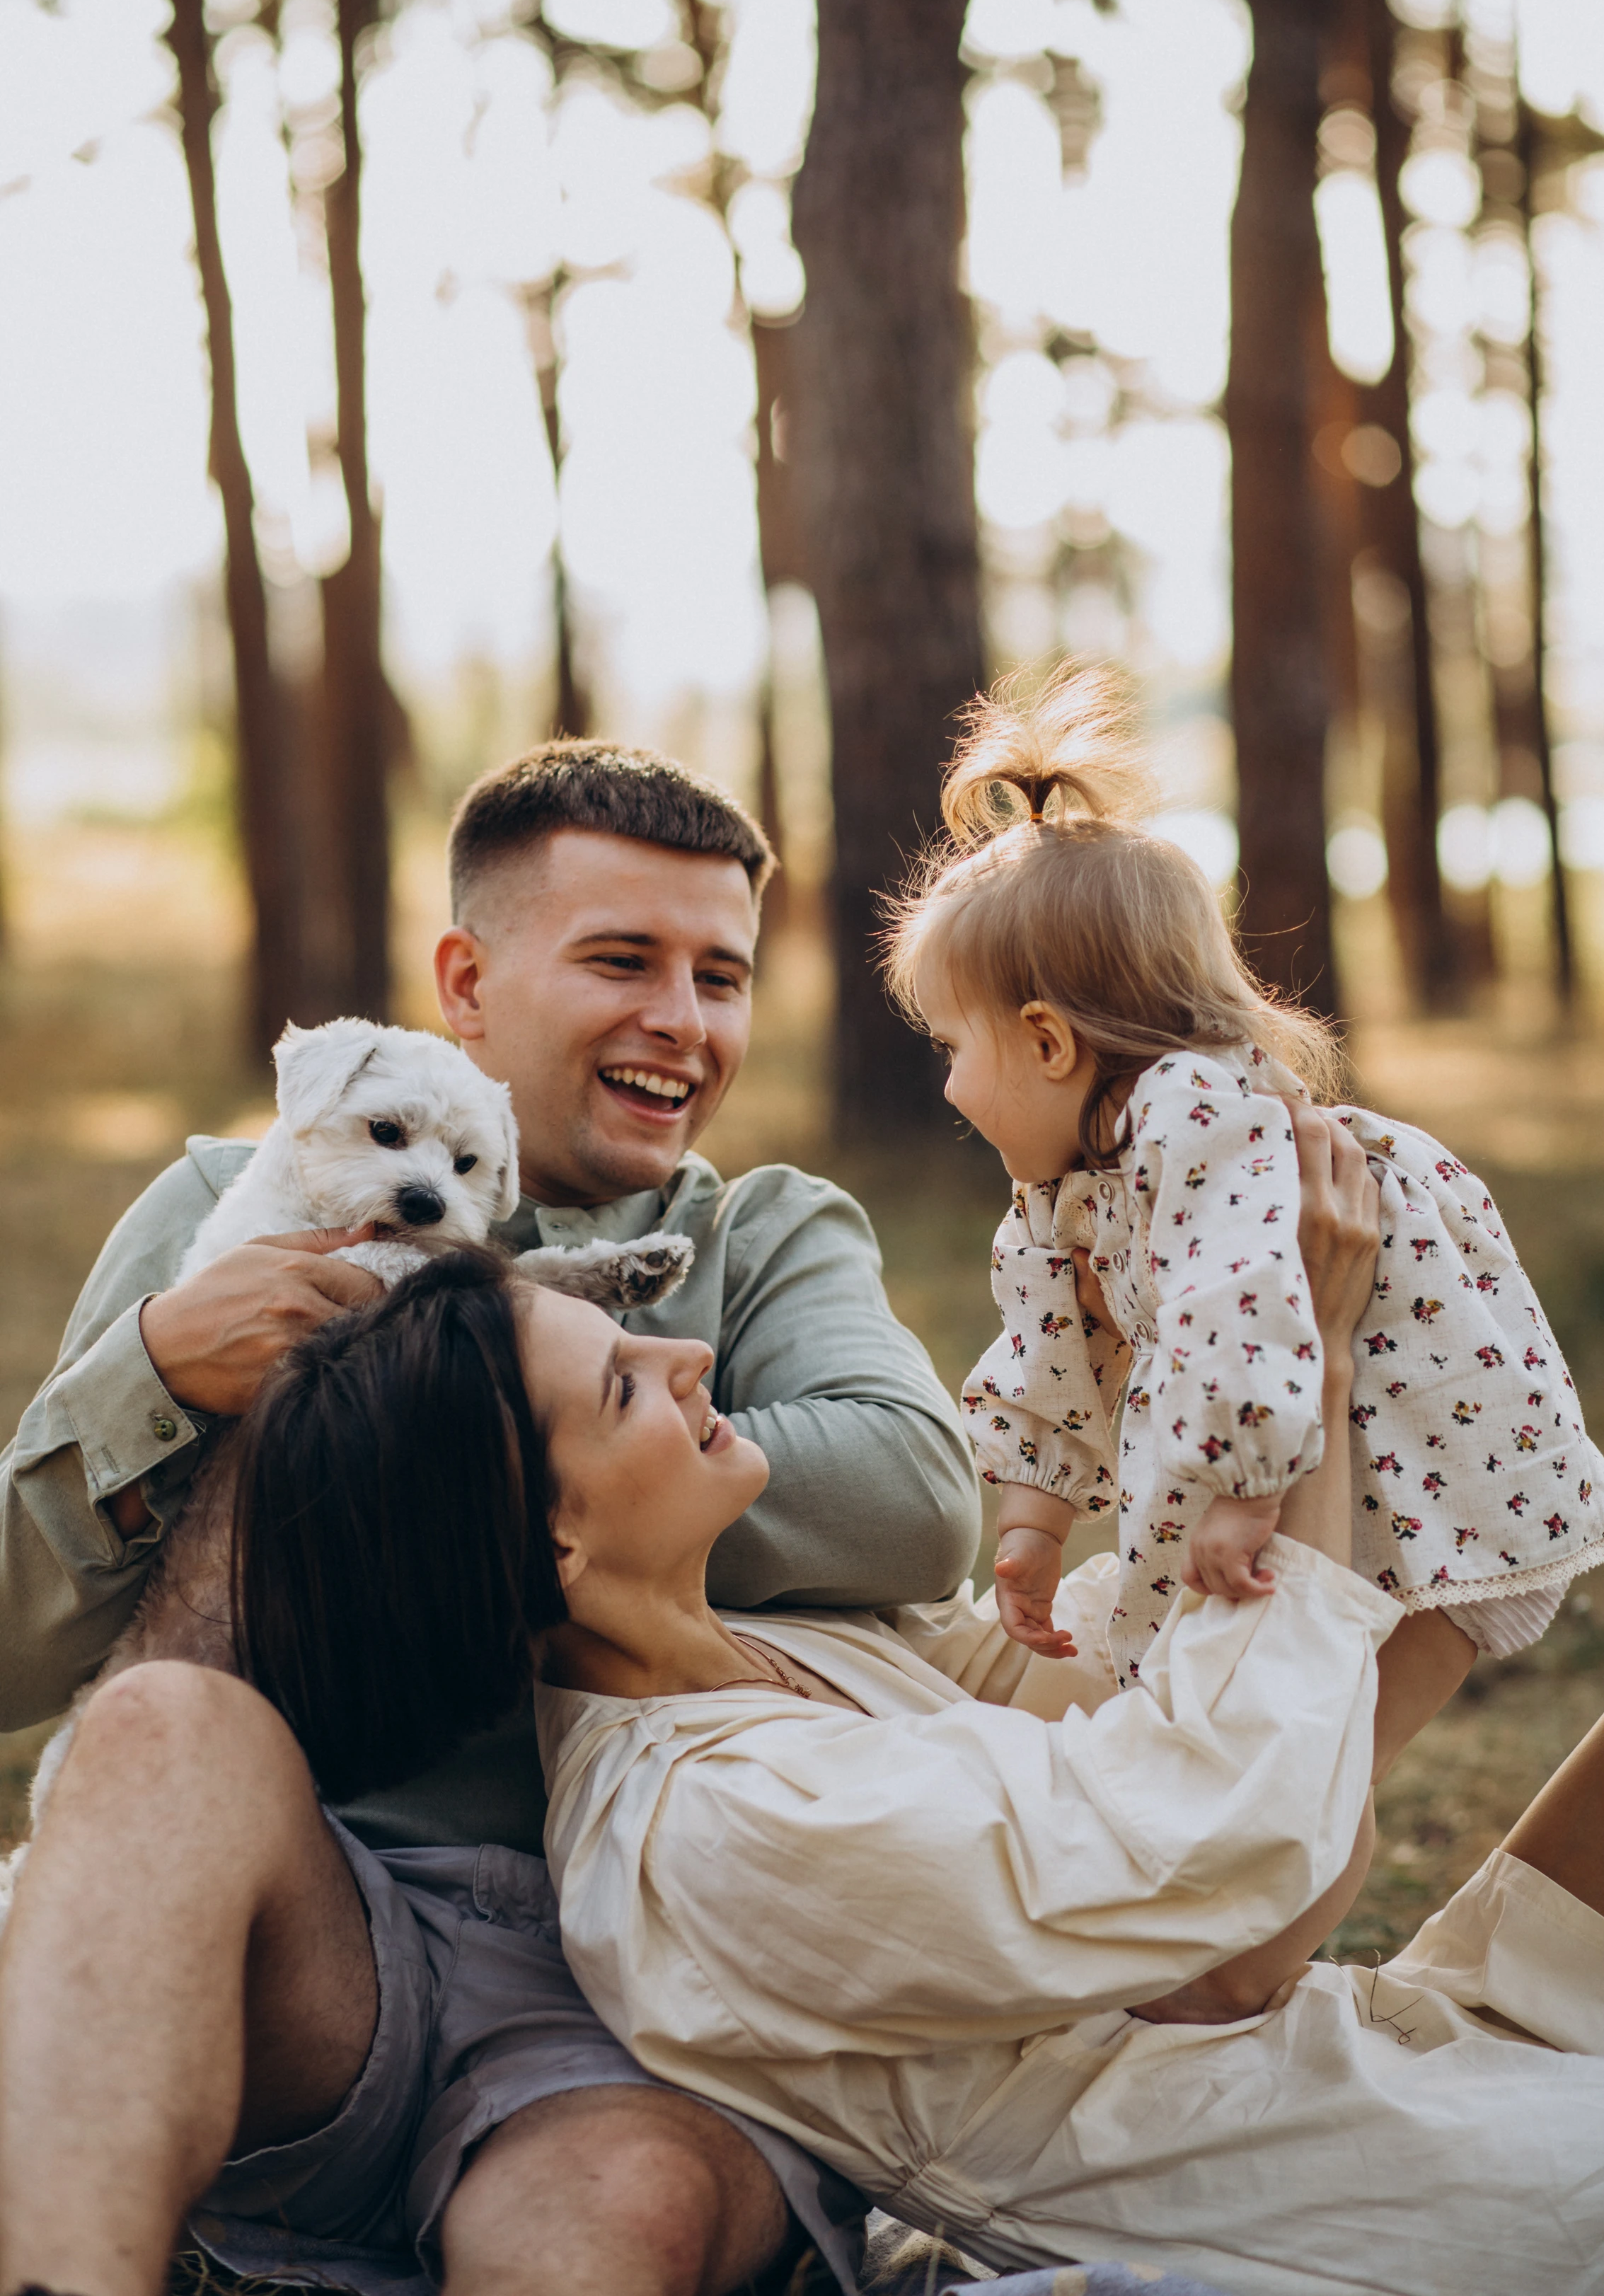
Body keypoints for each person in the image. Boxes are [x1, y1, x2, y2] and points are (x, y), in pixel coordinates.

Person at [216, 1115, 1604, 2296]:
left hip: (1385, 2040)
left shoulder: (782, 1646)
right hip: (1361, 2193)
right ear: (554, 1539)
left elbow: (1147, 1678)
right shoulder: (712, 1832)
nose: (689, 1363)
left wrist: (1200, 1338)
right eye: (621, 1387)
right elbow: (1220, 1890)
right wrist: (1306, 1371)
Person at [0, 739, 980, 2296]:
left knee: (616, 2211)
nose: (682, 1020)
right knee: (156, 1732)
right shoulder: (226, 1209)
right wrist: (157, 1377)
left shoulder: (762, 1235)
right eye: (622, 959)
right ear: (466, 980)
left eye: (719, 975)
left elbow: (912, 1496)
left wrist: (456, 1425)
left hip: (636, 1990)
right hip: (306, 1926)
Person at [882, 662, 1603, 1700]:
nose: (947, 1088)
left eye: (951, 1046)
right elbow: (1049, 1342)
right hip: (1298, 1482)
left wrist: (1246, 1493)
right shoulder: (1070, 1185)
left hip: (1432, 1487)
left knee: (1330, 1754)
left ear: (1047, 1043)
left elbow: (1246, 1298)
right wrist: (1032, 1522)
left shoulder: (1196, 1120)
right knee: (1261, 1717)